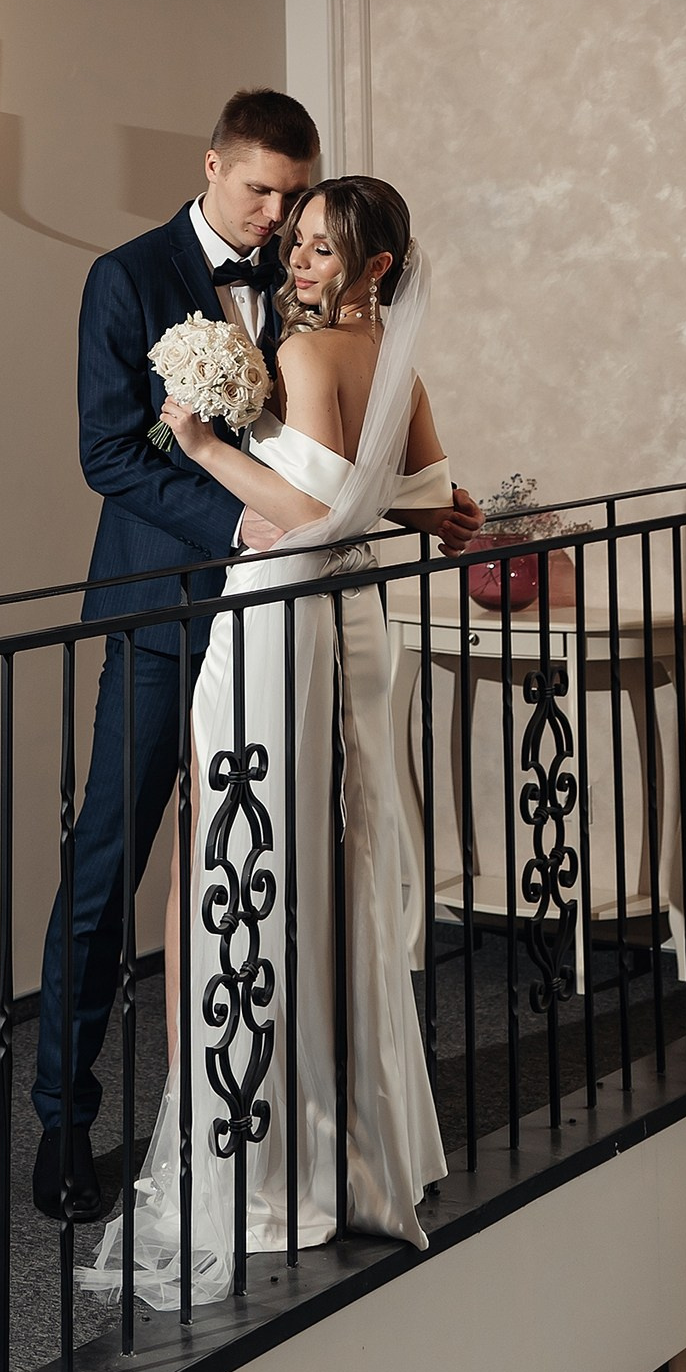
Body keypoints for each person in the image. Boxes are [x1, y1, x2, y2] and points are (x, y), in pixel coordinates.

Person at [82, 176, 480, 1304]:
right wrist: (444, 516)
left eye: (319, 249)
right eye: (295, 242)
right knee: (333, 863)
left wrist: (198, 440)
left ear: (373, 268)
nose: (295, 262)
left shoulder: (305, 354)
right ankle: (357, 1142)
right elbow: (423, 498)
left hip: (281, 620)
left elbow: (312, 516)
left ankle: (266, 1164)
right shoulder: (394, 363)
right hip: (352, 623)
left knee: (247, 863)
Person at [32, 88, 320, 1222]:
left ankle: (244, 1101)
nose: (276, 218)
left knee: (262, 852)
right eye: (259, 191)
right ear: (211, 166)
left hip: (275, 609)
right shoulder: (126, 276)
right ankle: (63, 1119)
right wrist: (235, 523)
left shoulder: (301, 278)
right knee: (110, 858)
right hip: (163, 607)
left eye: (293, 196)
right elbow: (108, 452)